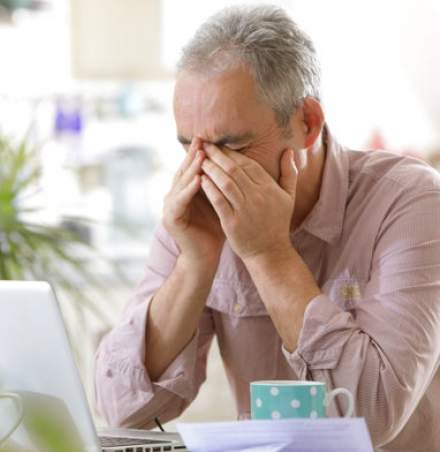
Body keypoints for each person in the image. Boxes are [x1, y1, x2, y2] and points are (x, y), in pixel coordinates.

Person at [94, 5, 440, 451]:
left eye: (231, 145)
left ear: (307, 123)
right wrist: (195, 261)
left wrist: (269, 254)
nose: (204, 170)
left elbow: (371, 418)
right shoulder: (195, 209)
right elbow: (122, 410)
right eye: (188, 146)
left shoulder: (410, 203)